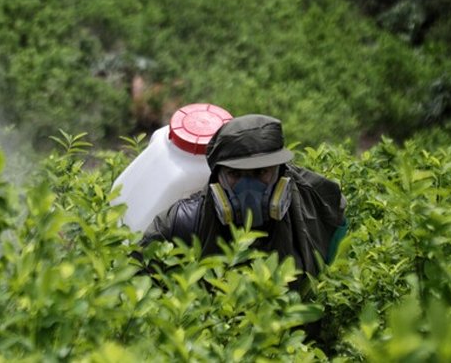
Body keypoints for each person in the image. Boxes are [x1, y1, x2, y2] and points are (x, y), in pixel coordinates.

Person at [138, 114, 348, 281]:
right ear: (217, 177)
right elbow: (136, 281)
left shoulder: (320, 203)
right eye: (235, 175)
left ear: (281, 172)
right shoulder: (180, 223)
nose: (249, 187)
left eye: (261, 173)